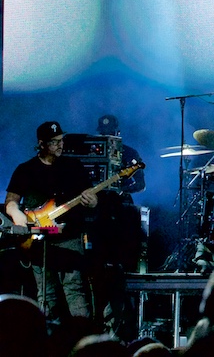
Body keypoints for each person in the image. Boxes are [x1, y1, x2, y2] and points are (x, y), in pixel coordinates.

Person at [4, 121, 98, 324]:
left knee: (74, 290)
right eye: (55, 142)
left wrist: (93, 201)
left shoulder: (73, 167)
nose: (60, 145)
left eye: (61, 140)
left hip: (69, 237)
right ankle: (48, 340)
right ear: (42, 144)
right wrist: (18, 217)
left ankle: (81, 337)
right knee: (46, 293)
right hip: (39, 240)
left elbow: (91, 198)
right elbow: (11, 202)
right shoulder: (26, 169)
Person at [89, 114, 147, 340]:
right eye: (103, 134)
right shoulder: (92, 151)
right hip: (95, 214)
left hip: (120, 216)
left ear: (118, 133)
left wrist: (122, 188)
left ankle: (124, 329)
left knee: (118, 275)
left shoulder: (130, 154)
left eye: (110, 133)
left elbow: (140, 184)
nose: (106, 137)